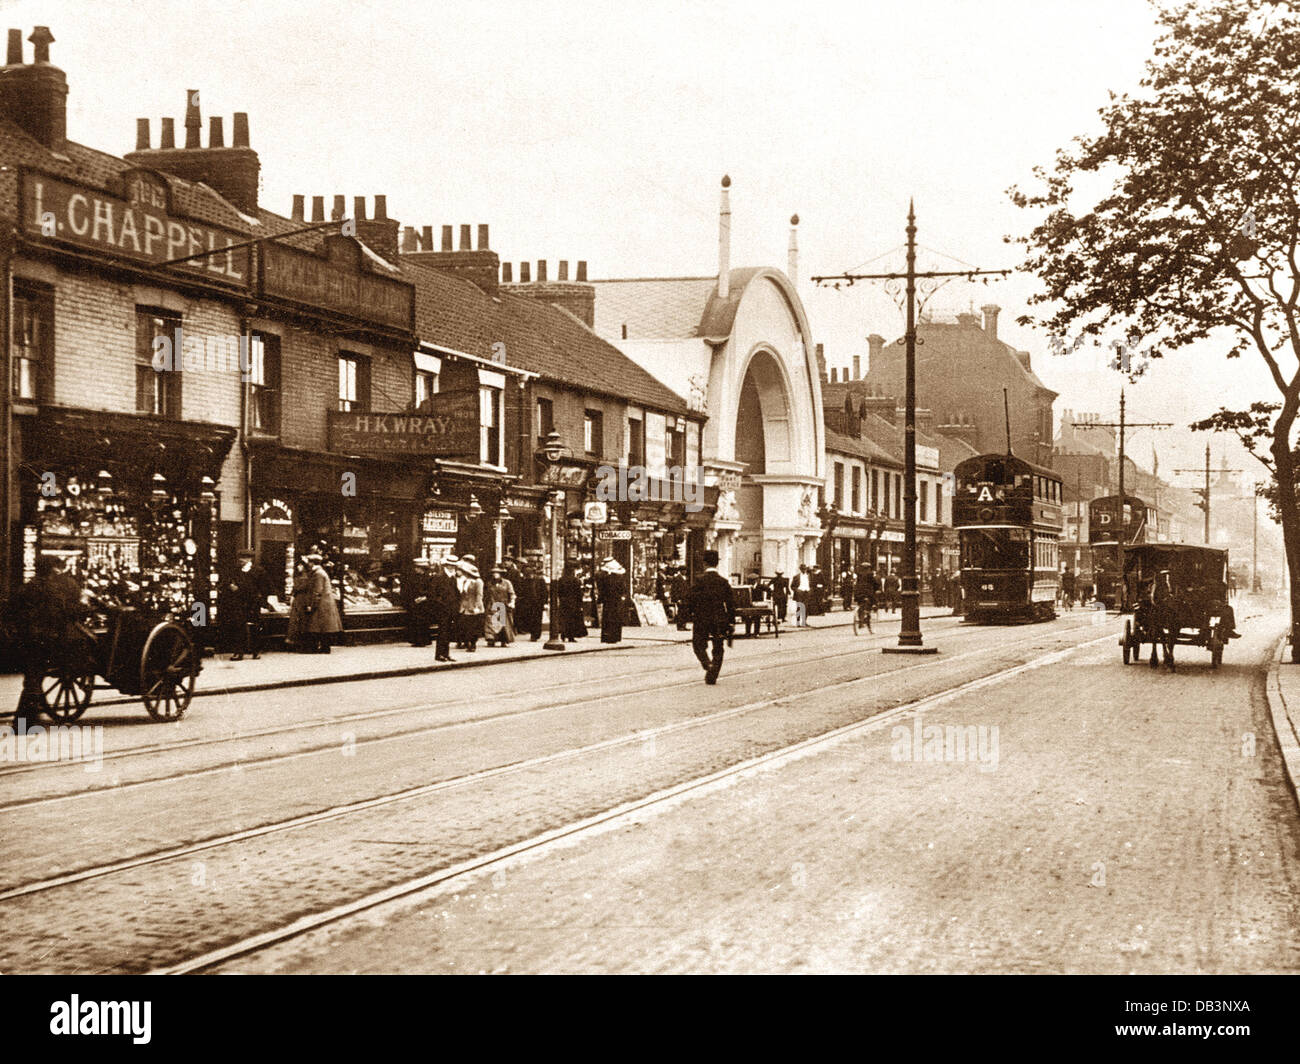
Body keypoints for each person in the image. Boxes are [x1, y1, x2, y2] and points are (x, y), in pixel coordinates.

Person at [7, 556, 86, 728]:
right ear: (52, 570)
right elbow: (69, 613)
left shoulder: (27, 588)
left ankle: (26, 719)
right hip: (49, 638)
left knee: (32, 678)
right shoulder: (55, 590)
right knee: (34, 680)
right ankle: (24, 722)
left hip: (27, 638)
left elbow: (11, 610)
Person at [685, 549, 736, 685]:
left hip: (701, 619)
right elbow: (731, 604)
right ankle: (712, 674)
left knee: (698, 644)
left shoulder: (699, 581)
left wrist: (690, 614)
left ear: (704, 564)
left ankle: (707, 663)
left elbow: (689, 600)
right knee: (718, 646)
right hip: (720, 619)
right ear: (717, 564)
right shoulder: (723, 582)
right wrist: (731, 621)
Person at [225, 549, 270, 660]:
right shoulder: (236, 570)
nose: (240, 560)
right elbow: (229, 581)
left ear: (249, 559)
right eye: (240, 557)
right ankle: (238, 652)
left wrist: (262, 602)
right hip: (239, 602)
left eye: (243, 557)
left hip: (253, 602)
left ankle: (256, 651)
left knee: (255, 626)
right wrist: (231, 586)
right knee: (238, 626)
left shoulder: (258, 571)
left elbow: (265, 587)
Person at [304, 552, 342, 653]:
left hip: (321, 605)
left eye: (309, 562)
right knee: (323, 627)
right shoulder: (320, 572)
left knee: (319, 626)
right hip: (324, 603)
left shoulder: (318, 574)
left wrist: (311, 605)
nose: (308, 564)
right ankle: (324, 647)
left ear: (313, 563)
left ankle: (323, 647)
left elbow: (317, 591)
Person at [430, 556, 460, 661]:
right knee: (442, 632)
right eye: (450, 565)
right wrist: (441, 604)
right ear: (446, 565)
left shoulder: (453, 578)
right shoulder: (439, 577)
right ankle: (439, 654)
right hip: (442, 609)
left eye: (454, 566)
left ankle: (446, 653)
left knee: (448, 632)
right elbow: (433, 594)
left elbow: (456, 594)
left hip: (451, 609)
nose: (452, 567)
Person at [513, 560, 546, 641]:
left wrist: (544, 602)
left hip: (538, 603)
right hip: (529, 603)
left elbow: (544, 592)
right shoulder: (525, 581)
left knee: (537, 619)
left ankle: (535, 635)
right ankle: (533, 634)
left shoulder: (540, 580)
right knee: (531, 619)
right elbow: (522, 592)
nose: (528, 576)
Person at [405, 557, 435, 647]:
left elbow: (432, 591)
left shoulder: (429, 578)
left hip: (424, 602)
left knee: (423, 622)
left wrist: (424, 597)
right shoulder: (414, 577)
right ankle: (417, 640)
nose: (415, 569)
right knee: (416, 621)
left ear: (422, 568)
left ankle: (423, 641)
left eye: (417, 568)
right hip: (416, 602)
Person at [596, 558, 627, 644]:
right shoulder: (619, 578)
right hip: (616, 602)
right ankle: (615, 636)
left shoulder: (605, 578)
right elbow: (623, 590)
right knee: (616, 619)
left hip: (608, 602)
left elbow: (602, 590)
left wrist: (600, 599)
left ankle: (607, 636)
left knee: (607, 619)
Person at [457, 558, 485, 652]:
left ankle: (472, 644)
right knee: (465, 626)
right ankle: (467, 642)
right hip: (464, 607)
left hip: (473, 607)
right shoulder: (465, 581)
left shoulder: (478, 582)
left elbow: (479, 595)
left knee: (473, 627)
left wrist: (477, 607)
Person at [484, 566, 517, 646]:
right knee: (491, 623)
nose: (495, 574)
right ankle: (491, 639)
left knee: (502, 624)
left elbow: (512, 593)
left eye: (497, 573)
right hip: (492, 605)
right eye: (493, 573)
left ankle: (503, 640)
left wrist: (512, 602)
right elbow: (486, 594)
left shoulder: (507, 583)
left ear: (501, 574)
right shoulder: (489, 583)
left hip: (502, 605)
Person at [555, 565, 587, 642]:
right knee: (572, 620)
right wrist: (580, 603)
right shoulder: (575, 580)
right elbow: (579, 593)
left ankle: (563, 634)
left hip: (564, 602)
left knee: (564, 619)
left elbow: (558, 591)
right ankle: (571, 636)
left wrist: (561, 599)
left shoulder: (561, 580)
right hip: (573, 602)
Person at [286, 559, 312, 652]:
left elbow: (300, 587)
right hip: (298, 599)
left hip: (303, 599)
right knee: (295, 620)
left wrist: (294, 591)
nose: (298, 567)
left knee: (300, 620)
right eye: (298, 566)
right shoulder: (300, 576)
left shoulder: (306, 577)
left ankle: (299, 642)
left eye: (301, 566)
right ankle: (295, 641)